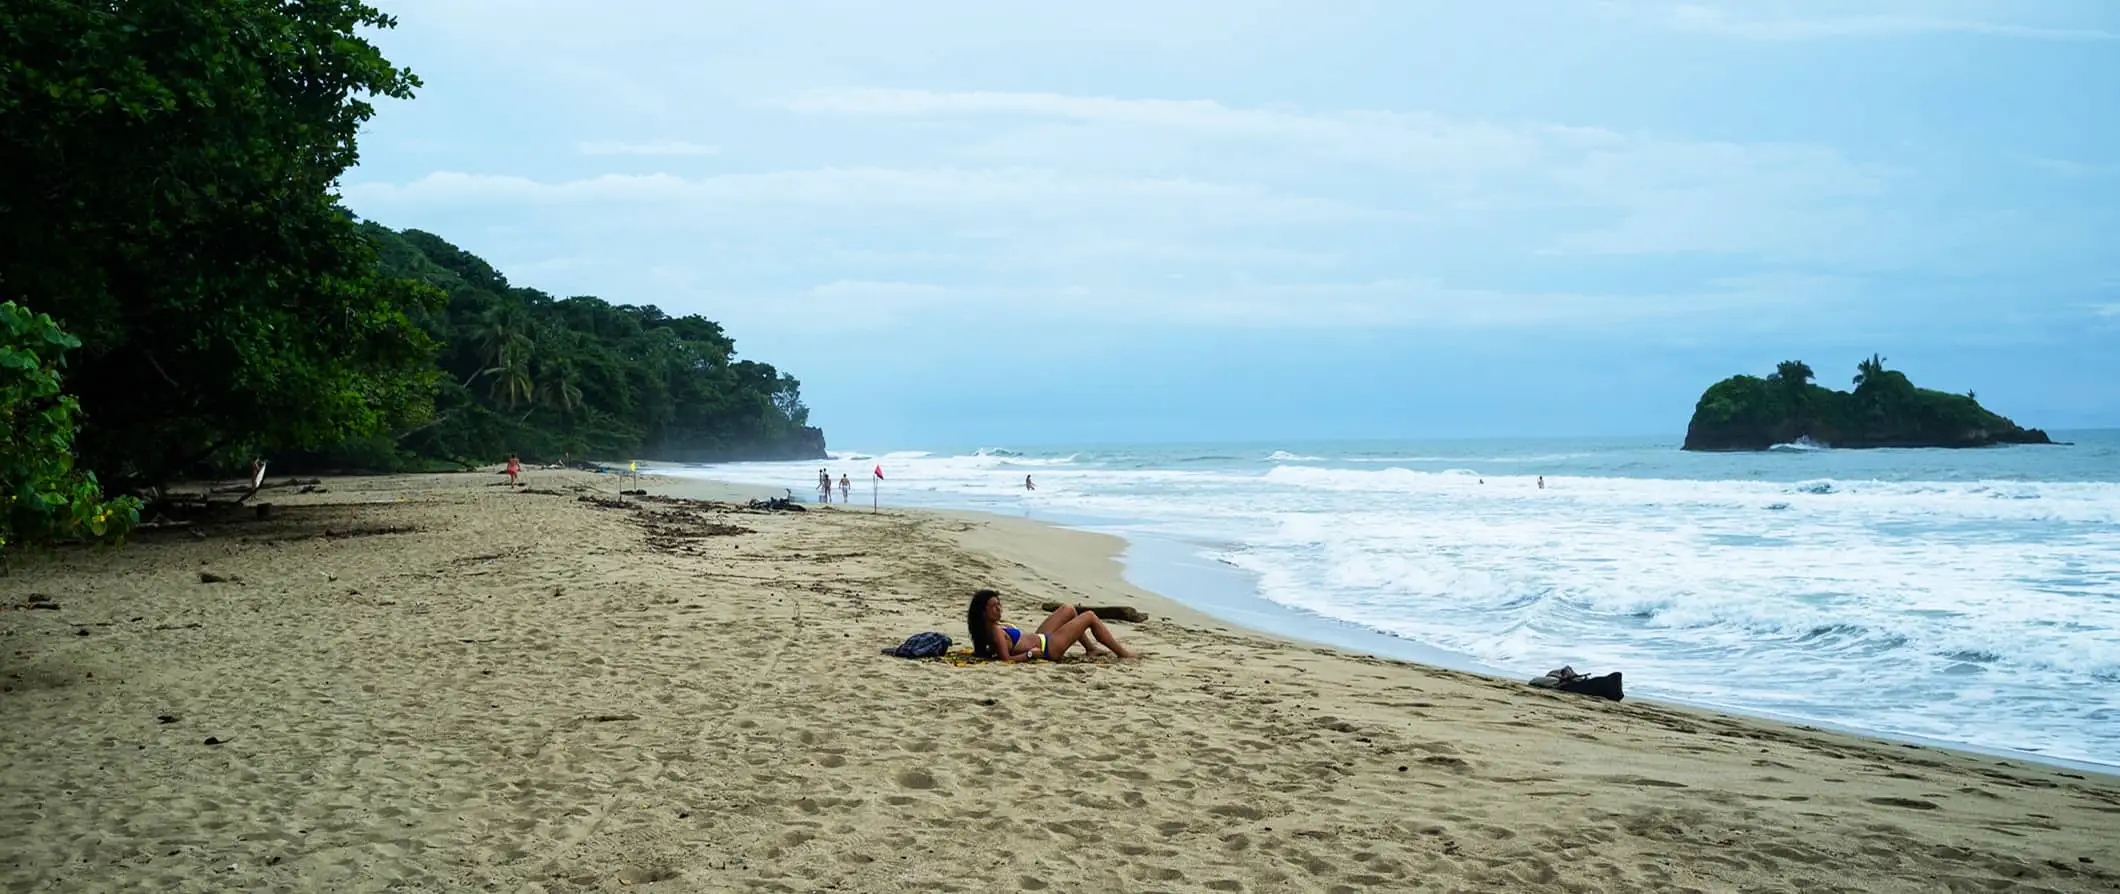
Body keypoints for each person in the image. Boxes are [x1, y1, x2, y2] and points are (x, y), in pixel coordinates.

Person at [966, 588, 1136, 661]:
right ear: (983, 612)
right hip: (1049, 647)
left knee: (1068, 609)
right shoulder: (995, 632)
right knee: (1089, 616)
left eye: (999, 604)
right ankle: (1123, 653)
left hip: (1040, 638)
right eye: (994, 606)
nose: (999, 609)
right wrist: (1030, 655)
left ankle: (1090, 648)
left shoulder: (988, 629)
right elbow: (1006, 660)